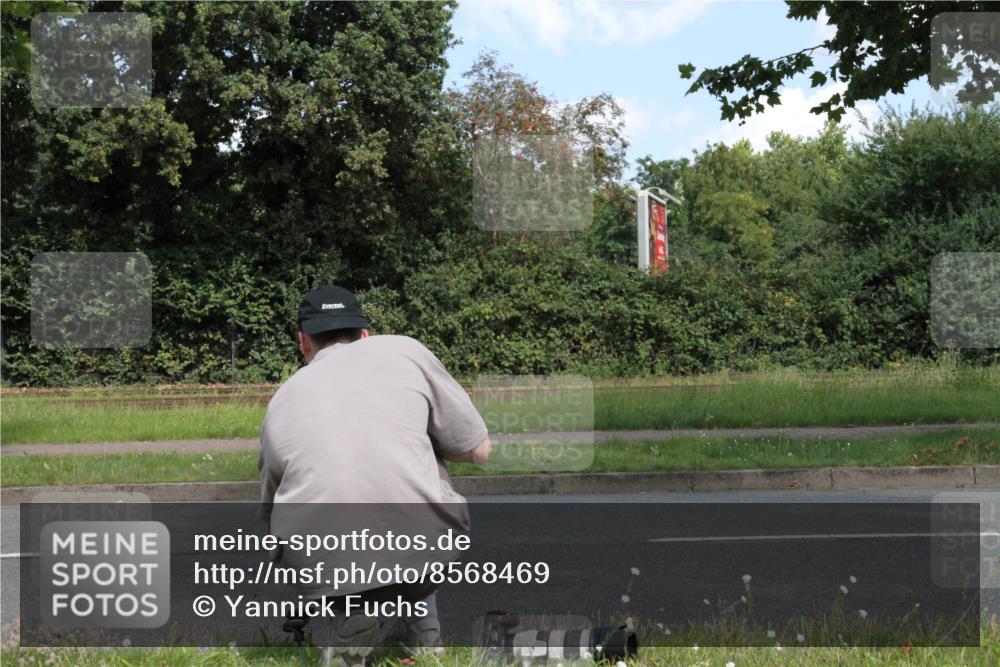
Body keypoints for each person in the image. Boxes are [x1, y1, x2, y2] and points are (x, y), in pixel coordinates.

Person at [258, 285, 491, 666]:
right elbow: (478, 451)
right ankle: (424, 639)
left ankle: (357, 616)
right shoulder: (404, 350)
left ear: (303, 342)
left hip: (322, 563)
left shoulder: (281, 399)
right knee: (413, 469)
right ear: (365, 334)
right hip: (420, 550)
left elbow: (270, 506)